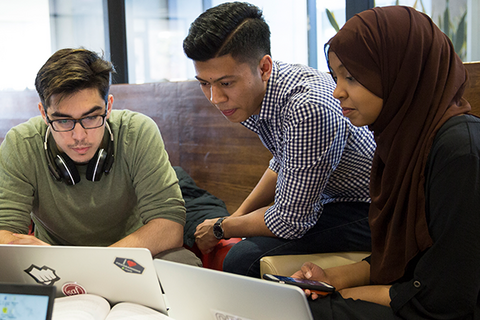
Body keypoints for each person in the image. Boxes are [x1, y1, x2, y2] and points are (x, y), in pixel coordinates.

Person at [293, 6, 480, 319]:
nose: (337, 92)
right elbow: (402, 259)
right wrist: (333, 279)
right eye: (335, 76)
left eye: (351, 77)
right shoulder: (402, 141)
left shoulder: (460, 153)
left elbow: (448, 293)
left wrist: (348, 294)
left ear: (401, 73)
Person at [183, 2, 376, 277]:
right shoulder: (258, 93)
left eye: (226, 83)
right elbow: (282, 161)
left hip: (372, 209)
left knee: (243, 259)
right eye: (204, 83)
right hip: (331, 199)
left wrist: (221, 227)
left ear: (264, 67)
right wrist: (234, 218)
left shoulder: (307, 108)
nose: (215, 98)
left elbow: (291, 220)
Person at [0, 48, 201, 266]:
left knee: (184, 262)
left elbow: (169, 226)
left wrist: (90, 264)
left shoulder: (137, 131)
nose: (79, 136)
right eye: (63, 121)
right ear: (43, 114)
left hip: (129, 255)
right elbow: (4, 232)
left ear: (109, 106)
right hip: (53, 263)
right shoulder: (21, 142)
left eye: (91, 117)